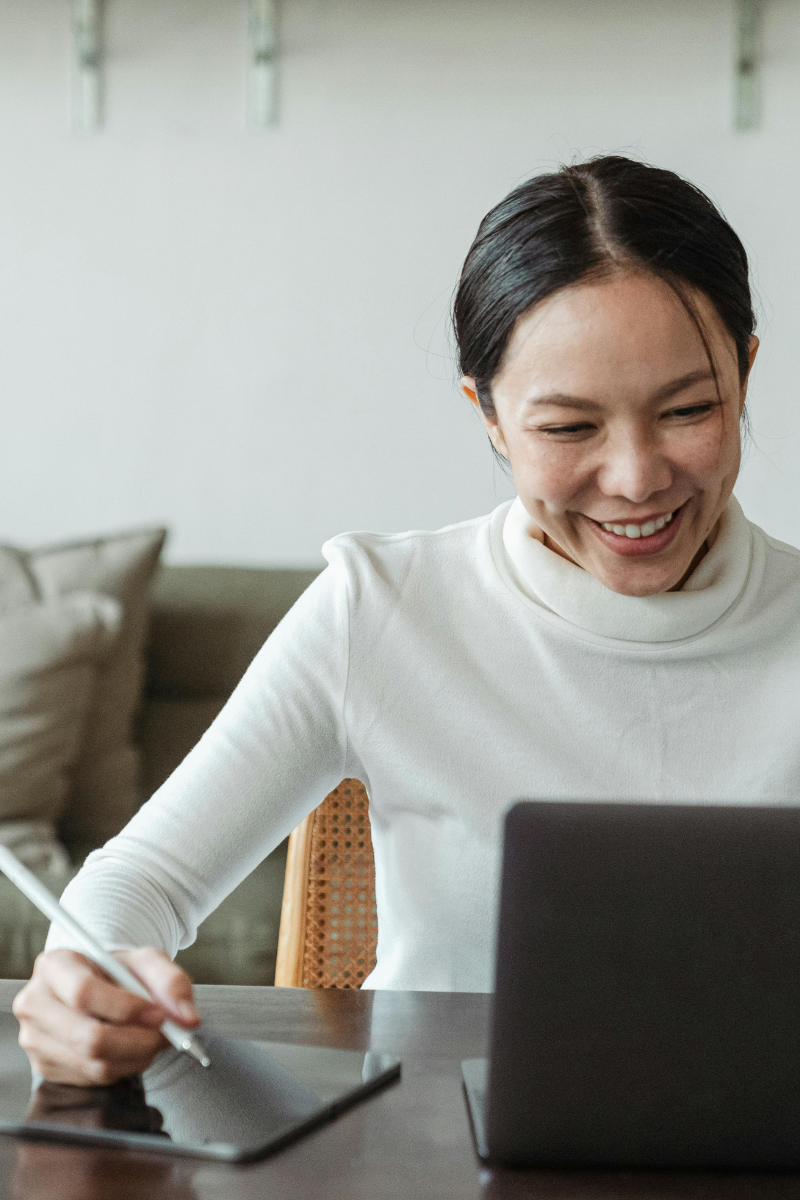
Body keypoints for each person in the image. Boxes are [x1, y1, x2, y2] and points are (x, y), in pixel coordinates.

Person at [15, 156, 800, 1086]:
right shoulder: (382, 610)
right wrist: (81, 979)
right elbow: (141, 881)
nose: (634, 478)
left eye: (687, 410)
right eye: (567, 429)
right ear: (491, 418)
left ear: (745, 376)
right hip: (425, 1158)